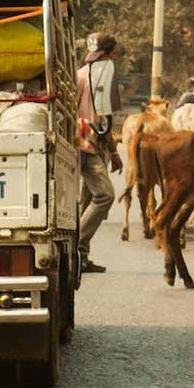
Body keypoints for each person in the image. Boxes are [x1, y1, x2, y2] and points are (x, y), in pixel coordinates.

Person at [76, 32, 123, 273]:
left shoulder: (103, 82)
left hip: (99, 146)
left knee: (85, 201)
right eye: (112, 53)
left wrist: (114, 151)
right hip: (85, 147)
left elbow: (106, 121)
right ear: (106, 55)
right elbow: (67, 113)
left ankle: (81, 258)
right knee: (105, 195)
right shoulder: (81, 78)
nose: (114, 57)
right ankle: (77, 243)